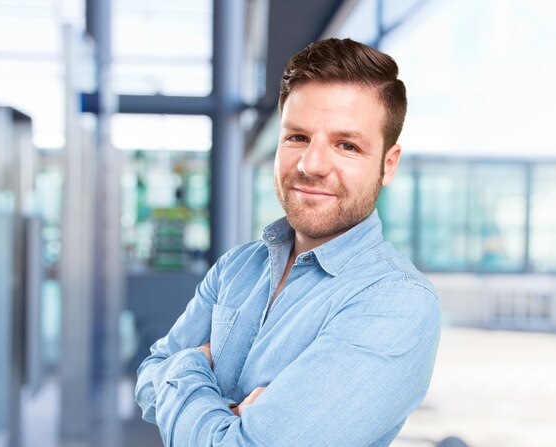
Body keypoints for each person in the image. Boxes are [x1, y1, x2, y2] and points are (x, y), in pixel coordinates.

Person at [135, 37, 441, 447]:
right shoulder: (237, 267)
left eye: (346, 145)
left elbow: (170, 381)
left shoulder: (397, 301)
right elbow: (147, 376)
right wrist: (227, 416)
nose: (311, 165)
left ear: (388, 164)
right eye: (297, 137)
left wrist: (187, 368)